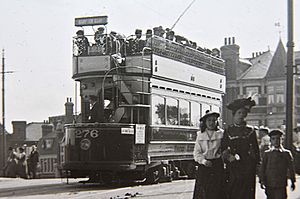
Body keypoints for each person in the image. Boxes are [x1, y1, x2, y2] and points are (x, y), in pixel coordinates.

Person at [221, 97, 260, 199]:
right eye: (239, 113)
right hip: (233, 164)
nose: (241, 116)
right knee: (233, 190)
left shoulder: (250, 130)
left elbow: (256, 150)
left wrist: (256, 165)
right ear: (234, 115)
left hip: (247, 164)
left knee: (246, 191)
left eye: (243, 113)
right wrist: (228, 156)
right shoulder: (228, 130)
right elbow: (223, 147)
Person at [193, 110, 224, 199]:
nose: (211, 123)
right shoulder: (200, 135)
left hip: (217, 166)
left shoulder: (221, 133)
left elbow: (225, 149)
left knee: (217, 191)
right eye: (209, 120)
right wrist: (203, 161)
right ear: (205, 122)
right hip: (204, 167)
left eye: (214, 120)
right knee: (204, 191)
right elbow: (197, 152)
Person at [259, 129, 296, 199]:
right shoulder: (267, 154)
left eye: (278, 139)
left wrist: (293, 181)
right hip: (269, 183)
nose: (276, 141)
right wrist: (262, 180)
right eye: (273, 139)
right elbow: (263, 168)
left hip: (281, 183)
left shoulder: (286, 153)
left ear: (281, 140)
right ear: (270, 140)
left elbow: (291, 168)